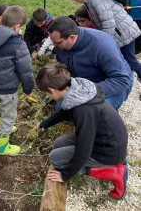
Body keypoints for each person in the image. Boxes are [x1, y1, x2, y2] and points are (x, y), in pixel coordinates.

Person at [36, 62, 128, 200]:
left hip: (108, 151)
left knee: (55, 158)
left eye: (46, 93)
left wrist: (65, 175)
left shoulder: (83, 111)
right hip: (105, 139)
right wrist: (44, 124)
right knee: (59, 143)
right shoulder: (77, 90)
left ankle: (114, 171)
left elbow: (83, 149)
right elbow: (63, 112)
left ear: (52, 90)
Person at [0, 6, 35, 155]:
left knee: (4, 106)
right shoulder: (18, 44)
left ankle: (4, 125)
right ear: (17, 26)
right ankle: (2, 146)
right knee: (10, 113)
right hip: (7, 88)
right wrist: (28, 89)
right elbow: (26, 71)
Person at [48, 16, 133, 110]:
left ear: (71, 37)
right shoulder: (62, 44)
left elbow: (122, 80)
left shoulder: (102, 45)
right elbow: (63, 68)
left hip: (113, 85)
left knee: (96, 112)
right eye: (53, 42)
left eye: (57, 43)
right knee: (60, 109)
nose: (54, 46)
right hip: (84, 84)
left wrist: (86, 93)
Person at [65, 0, 141, 82]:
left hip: (124, 33)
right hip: (120, 33)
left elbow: (108, 22)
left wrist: (105, 41)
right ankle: (126, 79)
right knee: (124, 59)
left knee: (130, 59)